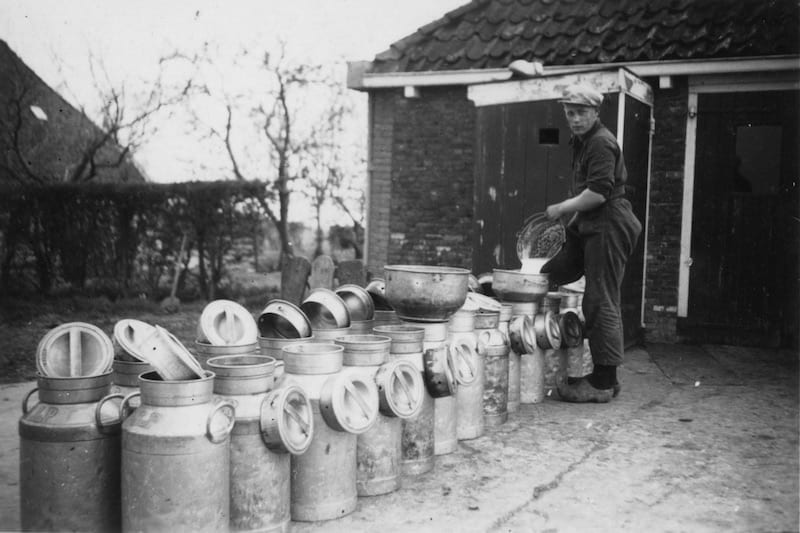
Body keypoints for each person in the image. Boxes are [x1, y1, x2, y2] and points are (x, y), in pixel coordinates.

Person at [540, 83, 642, 403]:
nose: (575, 119)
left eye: (582, 112)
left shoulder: (600, 142)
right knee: (554, 271)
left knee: (600, 299)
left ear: (595, 112)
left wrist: (562, 208)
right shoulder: (582, 140)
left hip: (609, 223)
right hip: (593, 223)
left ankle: (602, 382)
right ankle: (602, 376)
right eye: (570, 113)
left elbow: (598, 193)